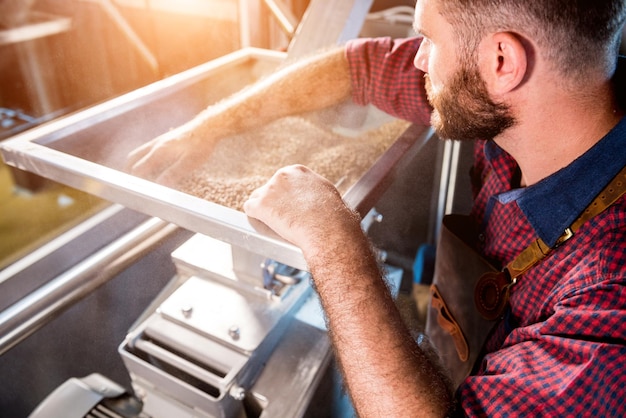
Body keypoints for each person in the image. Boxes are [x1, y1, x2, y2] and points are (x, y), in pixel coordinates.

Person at [128, 0, 626, 416]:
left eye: (429, 40)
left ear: (502, 62)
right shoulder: (535, 101)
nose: (418, 60)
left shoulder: (608, 299)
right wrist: (207, 129)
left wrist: (334, 240)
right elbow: (358, 67)